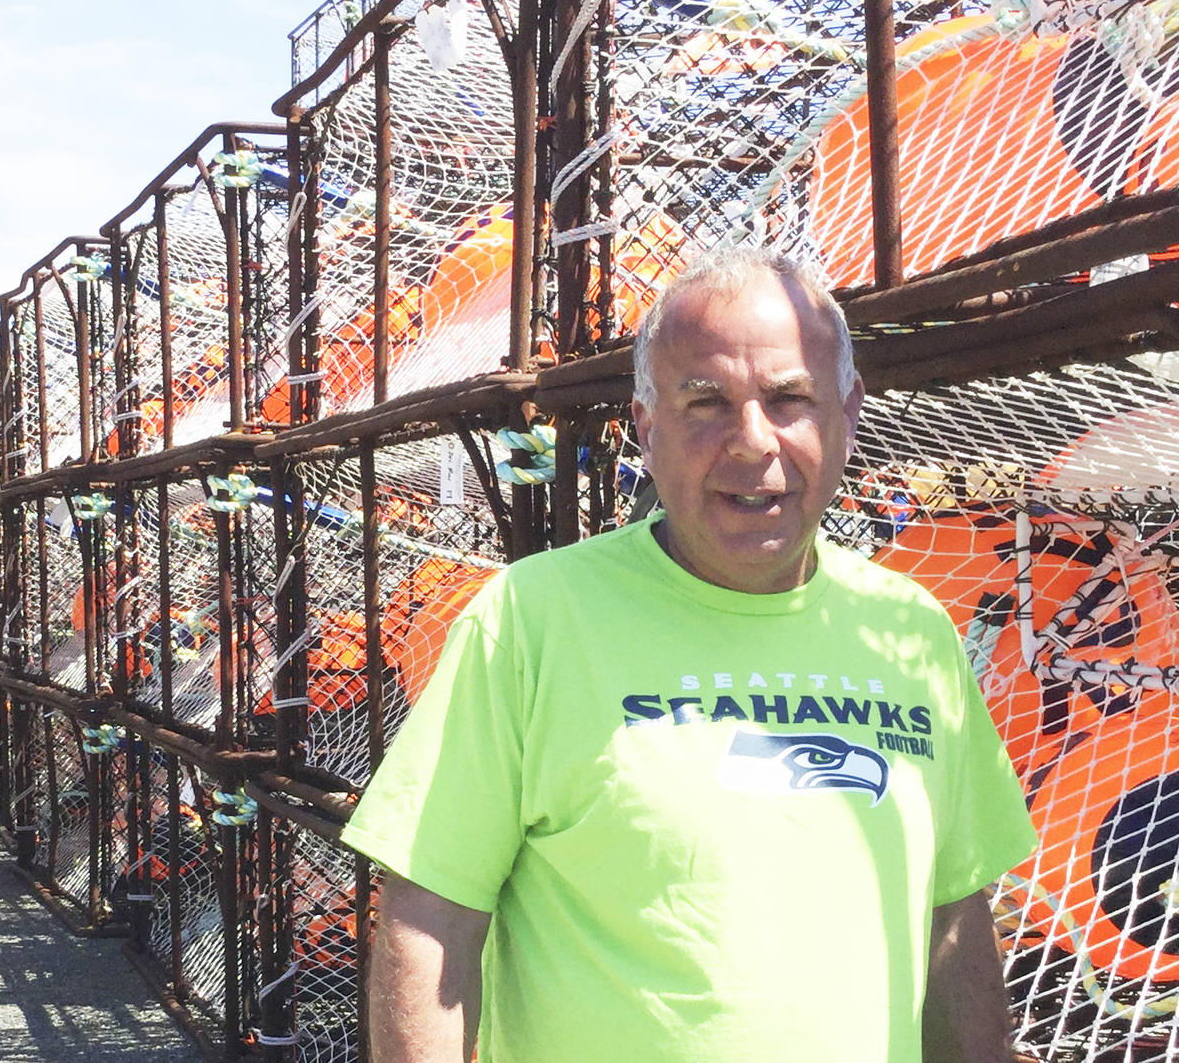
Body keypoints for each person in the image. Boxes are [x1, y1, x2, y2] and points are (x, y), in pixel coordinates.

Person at [340, 246, 1037, 1062]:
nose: (752, 442)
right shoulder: (530, 622)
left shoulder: (913, 632)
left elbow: (954, 920)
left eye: (789, 399)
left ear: (847, 412)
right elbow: (430, 924)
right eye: (705, 401)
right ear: (645, 423)